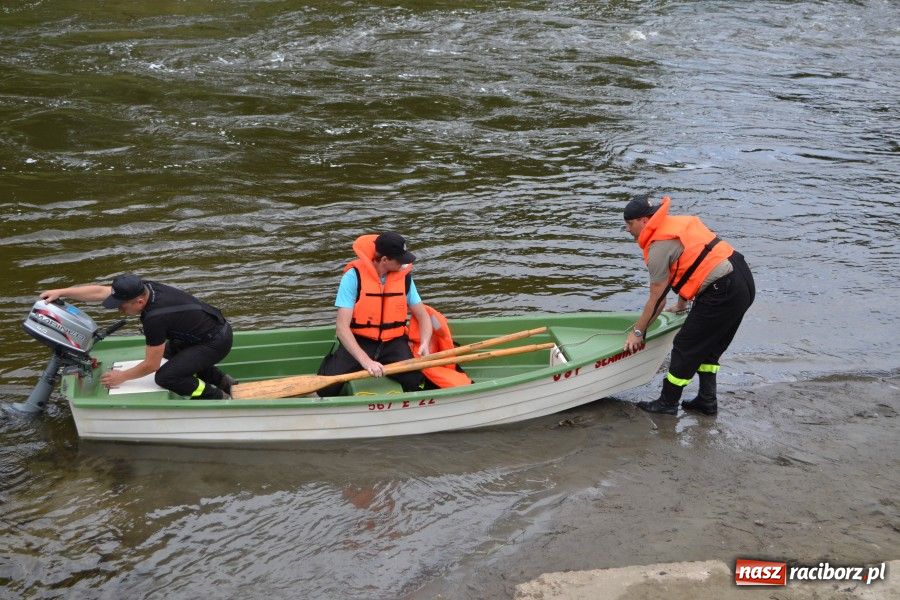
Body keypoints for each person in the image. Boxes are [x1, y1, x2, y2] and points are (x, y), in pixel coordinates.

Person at [622, 194, 755, 415]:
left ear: (644, 221)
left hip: (723, 290)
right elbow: (692, 263)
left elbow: (657, 298)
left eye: (629, 223)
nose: (627, 229)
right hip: (742, 279)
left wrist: (638, 332)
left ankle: (667, 403)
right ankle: (706, 401)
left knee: (685, 345)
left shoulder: (658, 247)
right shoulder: (677, 223)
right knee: (710, 347)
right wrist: (682, 303)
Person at [40, 274, 235, 399]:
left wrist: (121, 377)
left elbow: (151, 365)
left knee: (166, 377)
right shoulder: (145, 287)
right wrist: (61, 291)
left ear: (139, 302)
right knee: (168, 351)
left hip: (216, 341)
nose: (119, 310)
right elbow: (99, 291)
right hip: (208, 331)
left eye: (121, 306)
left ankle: (216, 396)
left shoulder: (154, 319)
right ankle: (225, 382)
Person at [317, 232, 433, 397]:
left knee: (416, 381)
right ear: (385, 260)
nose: (404, 264)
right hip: (360, 341)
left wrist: (425, 343)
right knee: (326, 388)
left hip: (393, 343)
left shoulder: (405, 278)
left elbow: (423, 317)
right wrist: (366, 361)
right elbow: (342, 329)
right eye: (400, 260)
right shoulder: (353, 277)